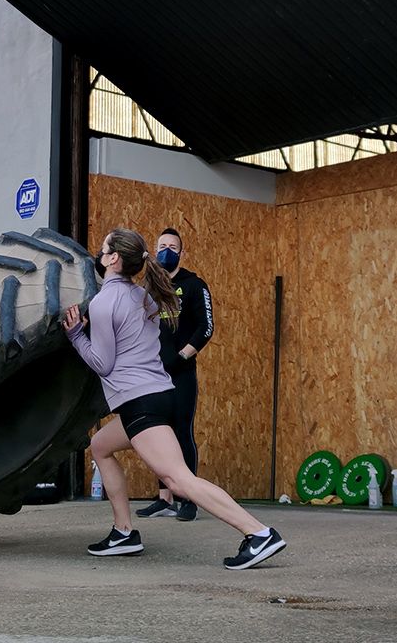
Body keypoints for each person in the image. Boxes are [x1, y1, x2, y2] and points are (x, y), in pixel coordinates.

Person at [64, 228, 286, 570]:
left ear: (113, 259)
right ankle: (123, 532)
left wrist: (77, 335)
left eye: (104, 248)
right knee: (101, 447)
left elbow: (103, 364)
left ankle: (258, 534)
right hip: (157, 396)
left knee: (177, 479)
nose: (100, 252)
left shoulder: (106, 301)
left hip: (141, 403)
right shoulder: (143, 296)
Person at [135, 227, 213, 522]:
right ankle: (164, 498)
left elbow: (206, 328)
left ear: (182, 252)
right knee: (158, 437)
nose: (166, 250)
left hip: (180, 375)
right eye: (162, 245)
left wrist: (182, 357)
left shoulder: (195, 285)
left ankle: (189, 500)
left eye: (172, 246)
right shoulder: (149, 288)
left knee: (182, 433)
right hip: (153, 376)